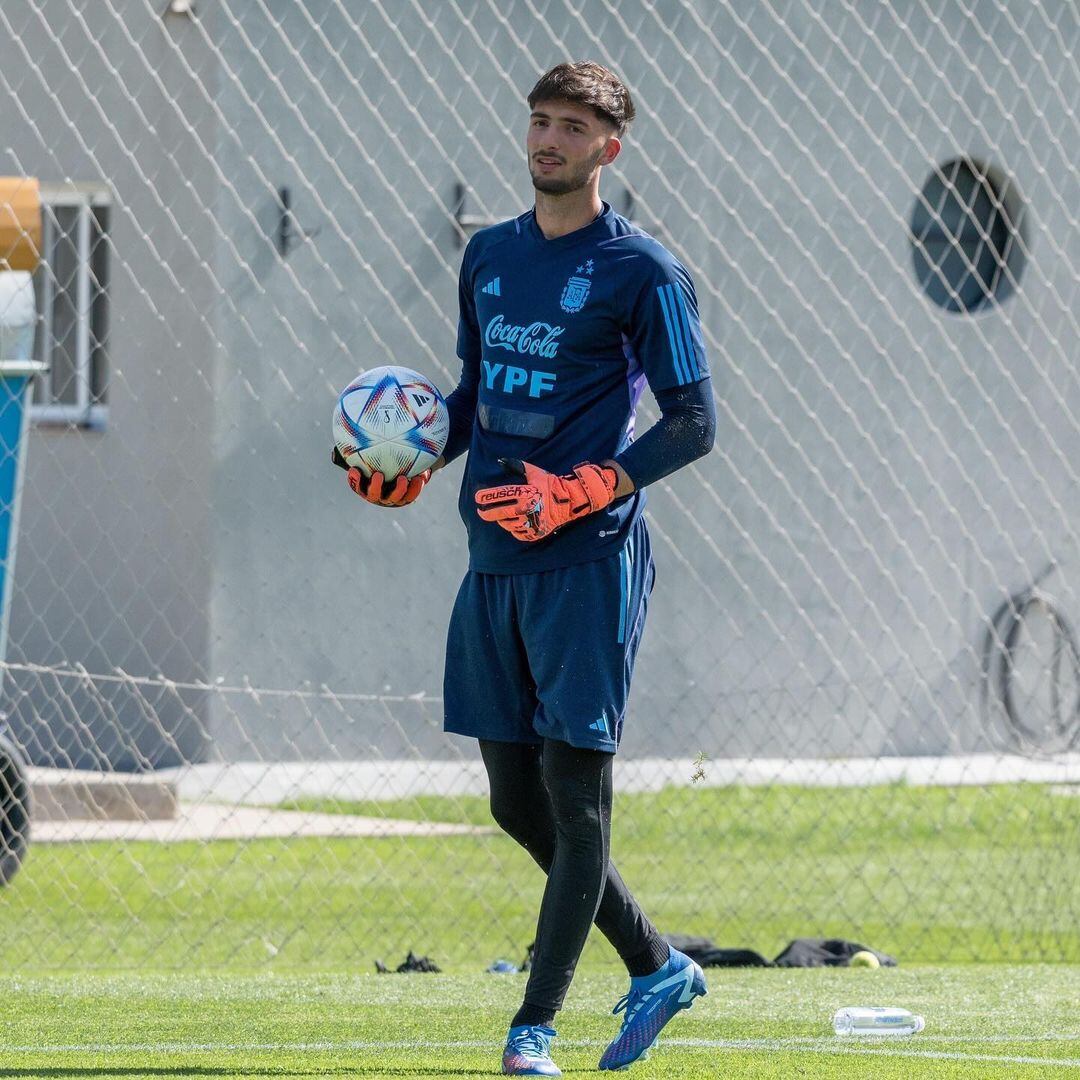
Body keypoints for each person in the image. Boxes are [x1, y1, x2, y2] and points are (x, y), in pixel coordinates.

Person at [337, 60, 716, 1076]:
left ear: (609, 148)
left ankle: (531, 1031)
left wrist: (587, 487)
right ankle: (656, 965)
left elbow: (693, 422)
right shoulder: (491, 256)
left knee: (575, 791)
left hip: (588, 560)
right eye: (540, 122)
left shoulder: (645, 271)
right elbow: (471, 392)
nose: (548, 139)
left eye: (572, 127)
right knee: (514, 798)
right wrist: (414, 457)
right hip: (492, 558)